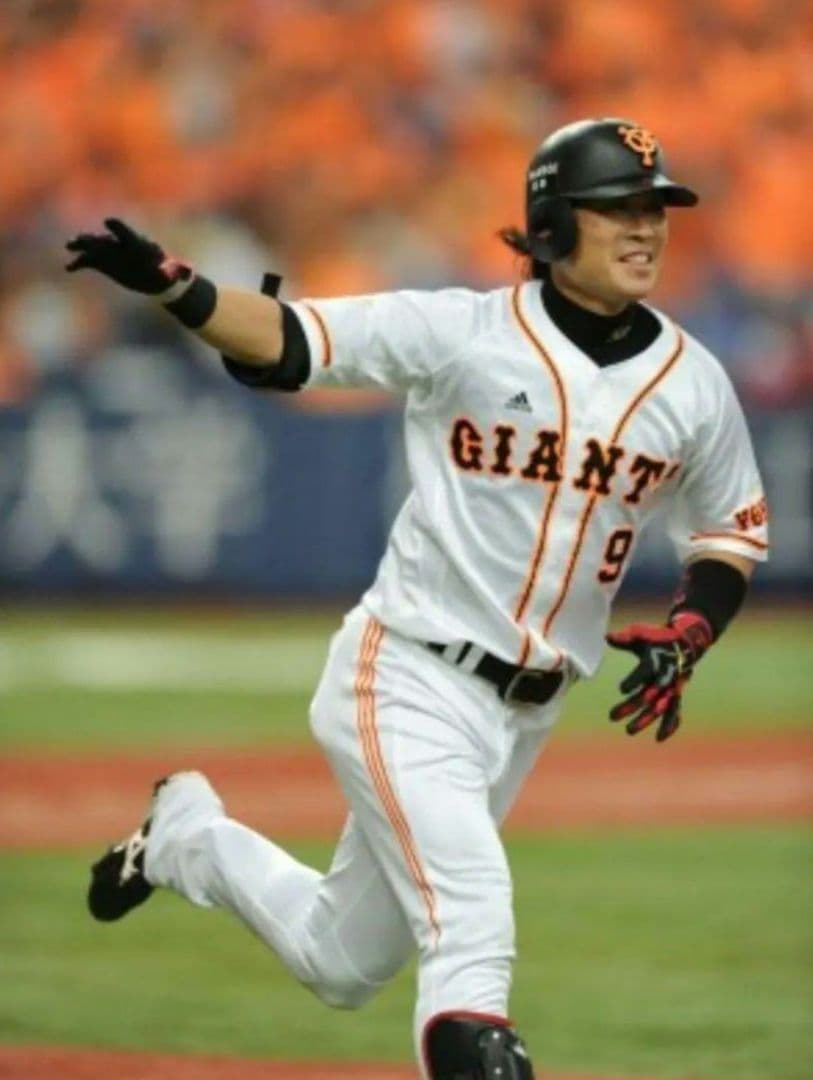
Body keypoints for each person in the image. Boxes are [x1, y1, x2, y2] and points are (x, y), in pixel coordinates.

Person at [66, 118, 769, 1080]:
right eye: (618, 208)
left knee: (340, 960)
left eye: (655, 208)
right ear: (554, 224)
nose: (645, 227)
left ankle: (185, 839)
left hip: (525, 714)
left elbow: (729, 530)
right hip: (407, 673)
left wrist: (693, 627)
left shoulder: (693, 383)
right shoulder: (464, 332)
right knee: (471, 920)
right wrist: (175, 288)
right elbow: (293, 341)